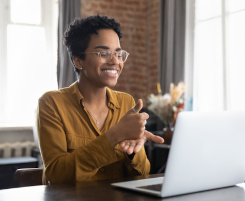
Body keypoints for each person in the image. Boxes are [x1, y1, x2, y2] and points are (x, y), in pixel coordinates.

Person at [37, 15, 164, 185]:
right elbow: (57, 175)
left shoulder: (127, 103)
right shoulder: (52, 103)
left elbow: (143, 173)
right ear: (78, 60)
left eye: (119, 55)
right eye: (103, 53)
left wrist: (134, 152)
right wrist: (114, 136)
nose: (114, 62)